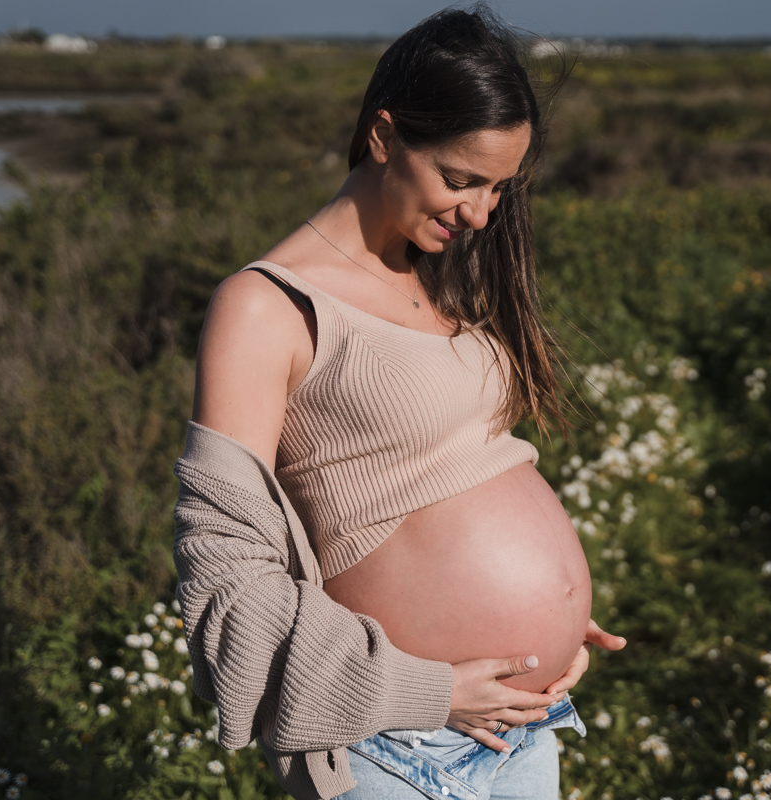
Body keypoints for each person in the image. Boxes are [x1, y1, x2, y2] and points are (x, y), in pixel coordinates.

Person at [172, 6, 625, 799]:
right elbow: (225, 577)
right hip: (402, 746)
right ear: (383, 137)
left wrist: (548, 627)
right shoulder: (268, 306)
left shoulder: (436, 273)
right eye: (461, 180)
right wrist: (430, 689)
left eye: (499, 187)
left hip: (524, 723)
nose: (480, 214)